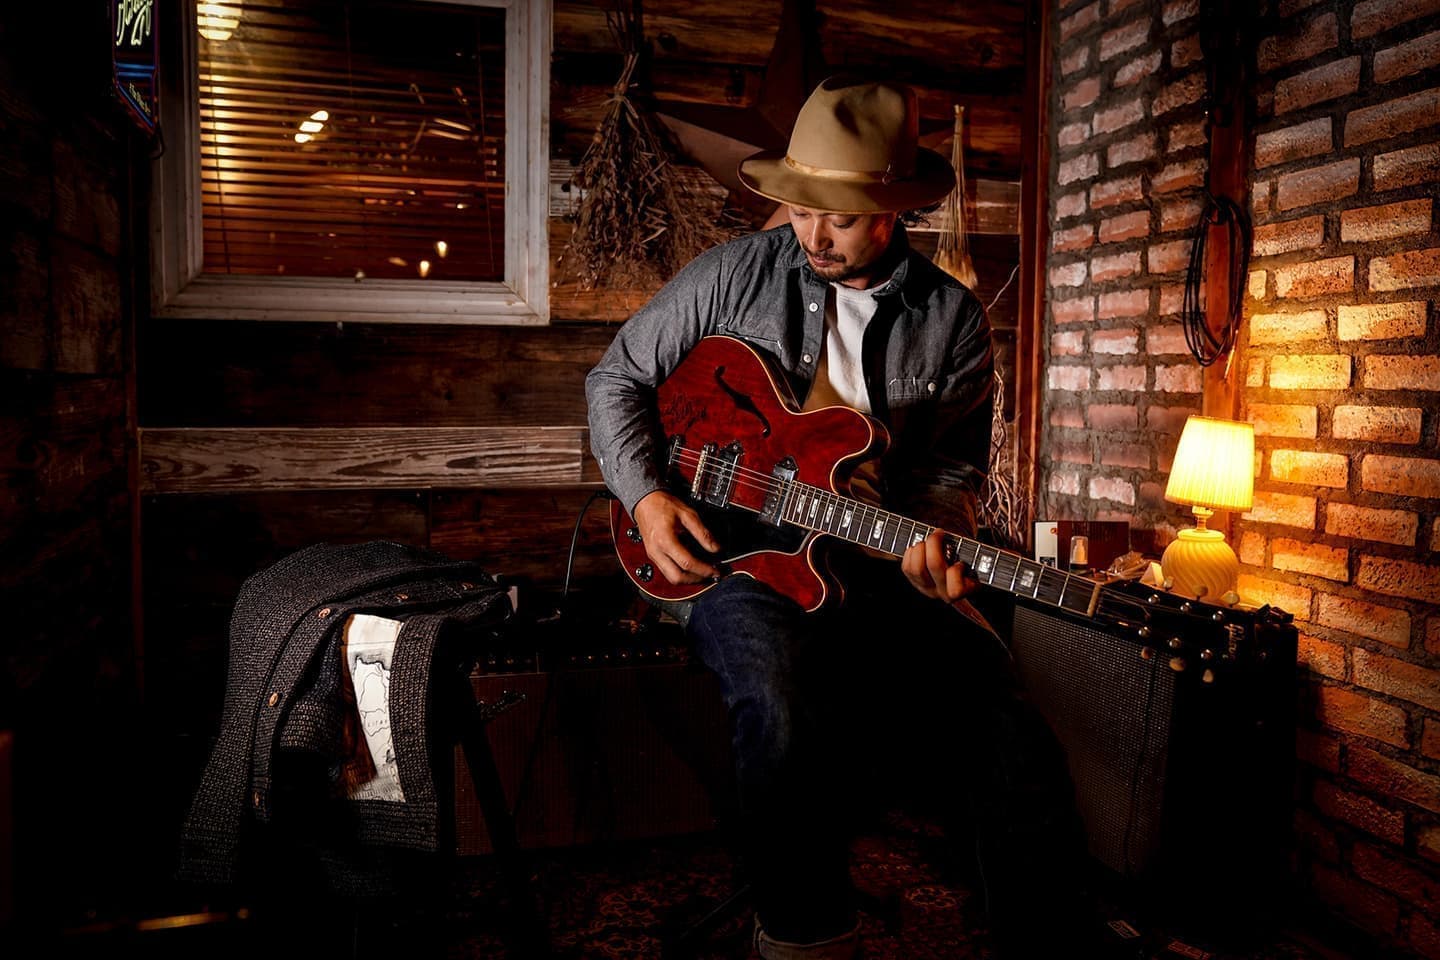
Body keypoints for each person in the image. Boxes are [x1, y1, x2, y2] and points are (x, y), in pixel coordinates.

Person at [586, 77, 1089, 960]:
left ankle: (1047, 938)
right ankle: (802, 937)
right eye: (803, 207)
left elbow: (950, 469)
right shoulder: (732, 274)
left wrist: (934, 536)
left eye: (842, 218)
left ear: (894, 211)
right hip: (730, 553)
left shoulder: (953, 320)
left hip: (870, 555)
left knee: (1000, 706)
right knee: (778, 700)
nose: (814, 234)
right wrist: (648, 497)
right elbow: (617, 378)